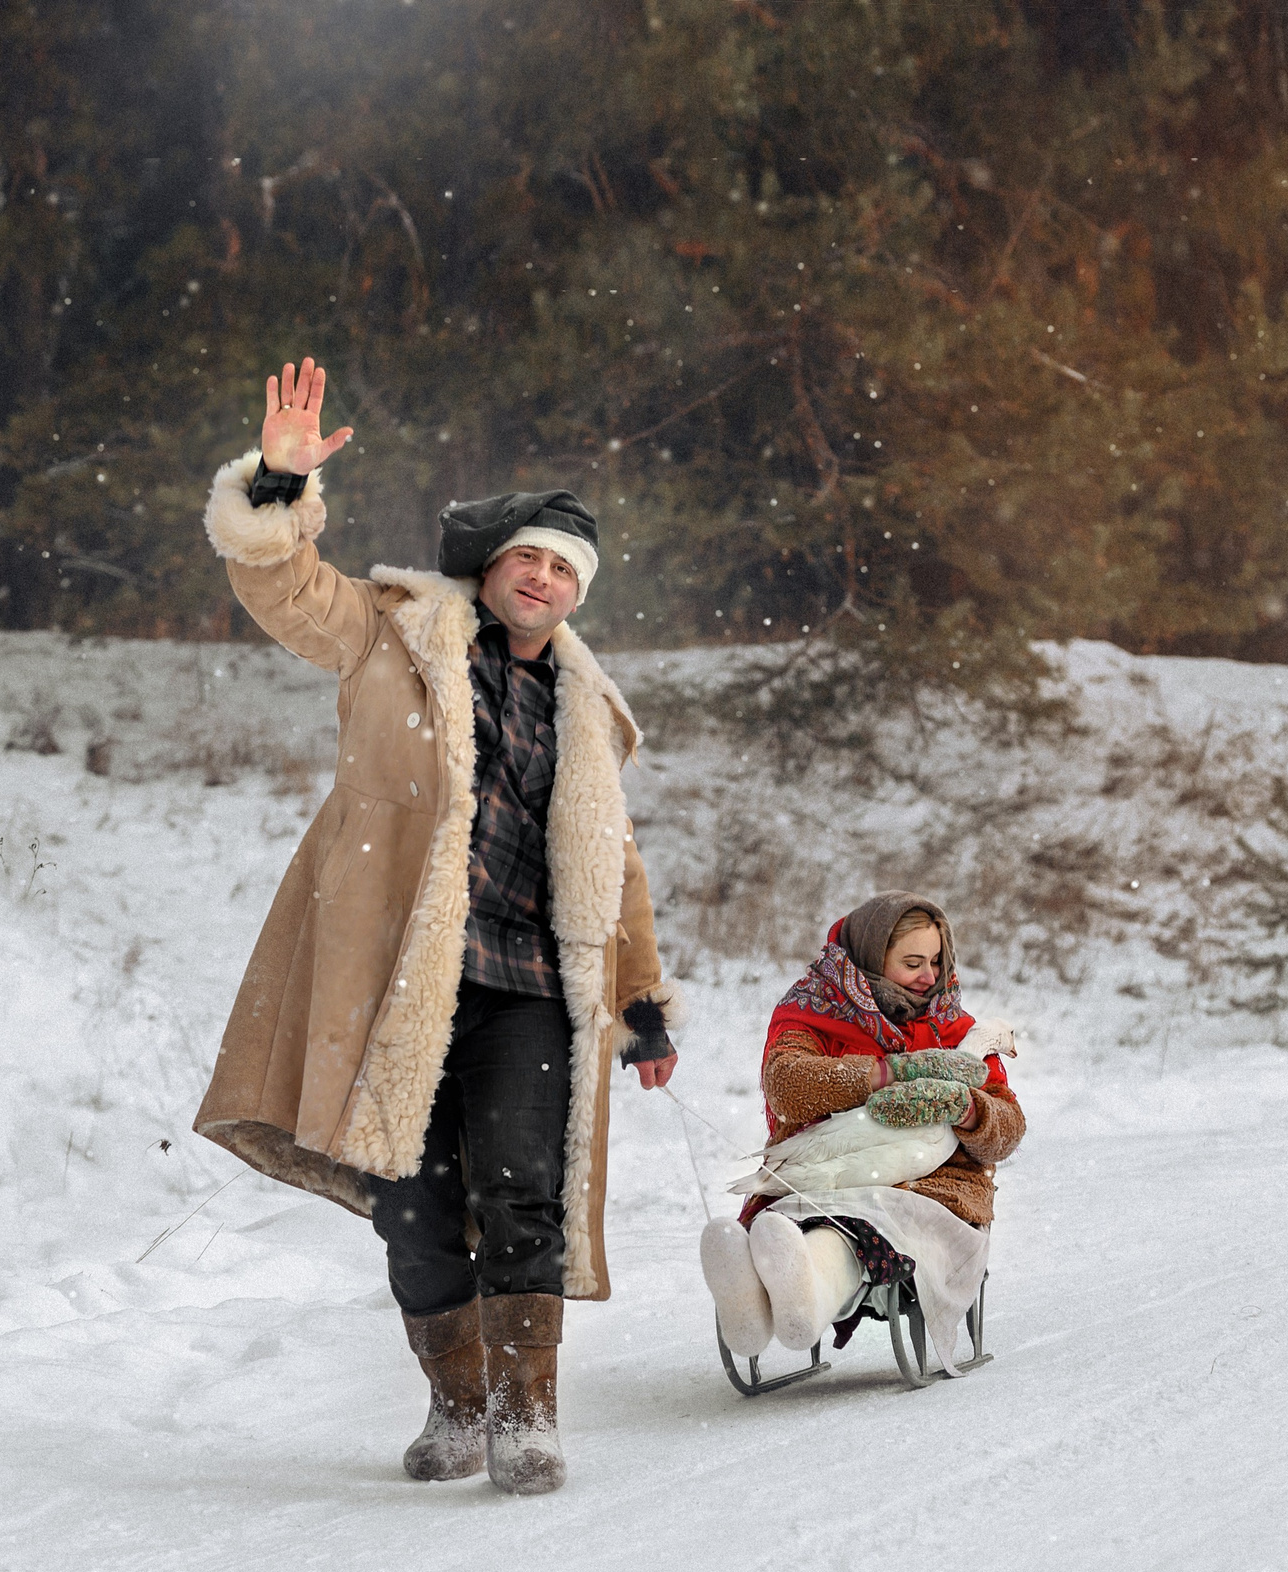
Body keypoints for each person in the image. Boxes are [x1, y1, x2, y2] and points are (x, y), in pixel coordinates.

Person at [191, 358, 682, 1495]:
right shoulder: (392, 634)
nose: (546, 580)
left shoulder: (586, 707)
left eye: (566, 570)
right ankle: (456, 1403)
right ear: (489, 567)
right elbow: (285, 589)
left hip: (525, 986)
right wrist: (273, 480)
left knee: (520, 1187)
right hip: (399, 978)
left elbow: (615, 863)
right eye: (529, 559)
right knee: (412, 1211)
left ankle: (526, 1415)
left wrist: (644, 996)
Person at [701, 892, 1023, 1363]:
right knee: (812, 1212)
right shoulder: (815, 1010)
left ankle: (800, 1300)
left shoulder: (954, 1030)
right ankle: (750, 1302)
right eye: (913, 962)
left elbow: (1009, 1127)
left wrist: (968, 1108)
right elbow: (787, 1085)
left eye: (935, 961)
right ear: (872, 956)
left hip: (930, 1186)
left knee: (866, 1222)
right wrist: (888, 1072)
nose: (929, 976)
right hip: (825, 1169)